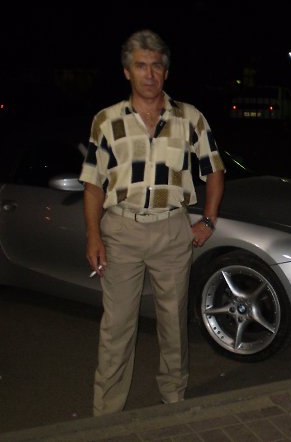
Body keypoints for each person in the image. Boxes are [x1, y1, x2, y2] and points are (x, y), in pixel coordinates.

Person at [79, 29, 225, 416]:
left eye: (156, 66)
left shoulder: (189, 117)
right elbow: (92, 184)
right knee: (117, 327)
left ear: (166, 72)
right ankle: (106, 411)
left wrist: (208, 220)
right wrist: (93, 235)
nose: (149, 74)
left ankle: (173, 398)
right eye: (141, 66)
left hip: (171, 229)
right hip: (121, 231)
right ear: (127, 71)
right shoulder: (107, 121)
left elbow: (214, 169)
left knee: (173, 324)